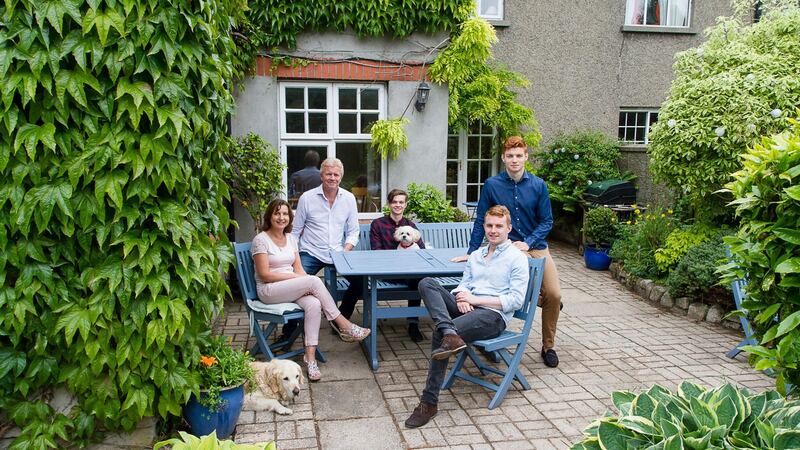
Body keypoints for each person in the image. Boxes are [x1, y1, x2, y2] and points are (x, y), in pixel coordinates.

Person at [404, 206, 529, 428]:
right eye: (489, 225)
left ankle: (429, 403)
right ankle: (450, 332)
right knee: (427, 282)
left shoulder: (516, 258)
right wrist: (461, 297)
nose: (493, 230)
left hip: (493, 315)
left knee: (438, 333)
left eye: (499, 226)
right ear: (484, 226)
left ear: (509, 228)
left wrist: (474, 300)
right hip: (469, 306)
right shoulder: (476, 256)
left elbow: (515, 301)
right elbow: (464, 284)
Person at [455, 135, 563, 368]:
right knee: (520, 290)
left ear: (526, 157)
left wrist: (529, 241)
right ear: (504, 158)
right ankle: (538, 299)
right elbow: (480, 221)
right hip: (510, 250)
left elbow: (547, 221)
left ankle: (548, 345)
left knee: (555, 294)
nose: (514, 160)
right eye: (510, 156)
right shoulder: (493, 185)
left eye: (519, 156)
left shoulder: (538, 185)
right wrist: (472, 251)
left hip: (536, 247)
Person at [251, 199, 371, 381]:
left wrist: (301, 280)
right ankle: (344, 325)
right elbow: (265, 275)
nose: (281, 217)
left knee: (314, 303)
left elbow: (298, 269)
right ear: (269, 216)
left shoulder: (291, 239)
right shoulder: (261, 240)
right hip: (269, 290)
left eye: (285, 214)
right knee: (313, 281)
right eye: (277, 213)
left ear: (289, 218)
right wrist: (299, 280)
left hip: (289, 287)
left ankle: (310, 358)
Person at [291, 158, 364, 320]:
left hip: (338, 253)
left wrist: (346, 250)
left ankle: (341, 320)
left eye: (336, 175)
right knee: (295, 283)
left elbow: (353, 231)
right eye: (328, 174)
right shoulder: (307, 198)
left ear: (341, 177)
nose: (332, 178)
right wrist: (294, 258)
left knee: (360, 281)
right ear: (321, 176)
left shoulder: (349, 198)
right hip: (310, 252)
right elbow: (295, 232)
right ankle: (290, 329)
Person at [369, 188, 427, 342]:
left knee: (420, 279)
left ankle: (413, 323)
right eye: (394, 202)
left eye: (401, 202)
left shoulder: (410, 225)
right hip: (387, 271)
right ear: (389, 204)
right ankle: (413, 321)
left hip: (409, 272)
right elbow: (376, 251)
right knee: (418, 280)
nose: (398, 205)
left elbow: (422, 250)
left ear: (405, 205)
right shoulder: (377, 224)